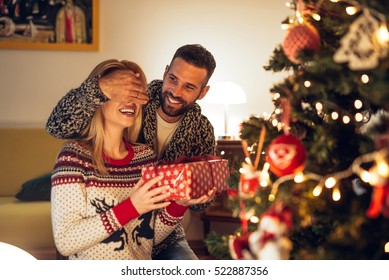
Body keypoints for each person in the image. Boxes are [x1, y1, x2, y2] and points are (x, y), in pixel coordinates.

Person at [46, 44, 218, 260]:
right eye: (173, 79)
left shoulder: (197, 131)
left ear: (202, 92)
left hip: (160, 233)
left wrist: (187, 199)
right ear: (165, 72)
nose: (175, 92)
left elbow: (148, 232)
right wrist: (98, 88)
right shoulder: (137, 99)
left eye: (189, 87)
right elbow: (57, 126)